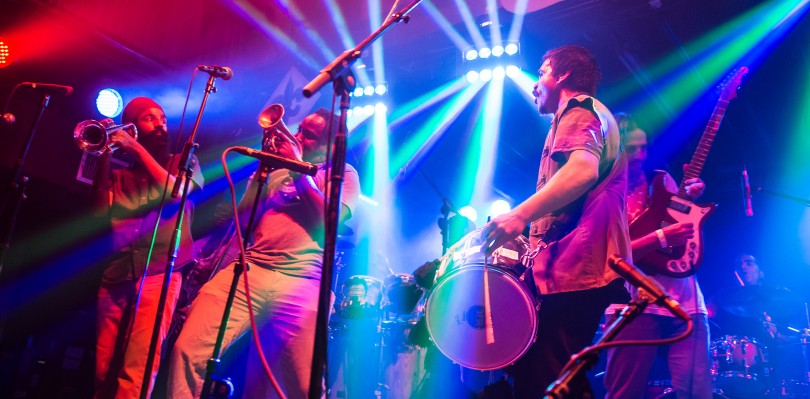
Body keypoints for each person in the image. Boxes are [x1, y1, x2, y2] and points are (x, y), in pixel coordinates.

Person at [168, 108, 360, 398]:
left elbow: (328, 220)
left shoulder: (341, 173)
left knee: (305, 387)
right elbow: (243, 221)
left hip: (303, 280)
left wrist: (296, 167)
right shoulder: (276, 170)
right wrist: (260, 174)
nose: (295, 136)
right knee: (188, 350)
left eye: (308, 135)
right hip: (251, 270)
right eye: (299, 129)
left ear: (328, 146)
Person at [480, 45, 631, 399]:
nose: (535, 84)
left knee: (547, 378)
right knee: (559, 379)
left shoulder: (578, 109)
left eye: (541, 72)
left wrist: (519, 215)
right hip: (575, 267)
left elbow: (582, 171)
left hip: (577, 268)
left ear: (562, 75)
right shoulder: (580, 115)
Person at [92, 97, 204, 398]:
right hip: (116, 273)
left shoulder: (185, 161)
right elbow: (99, 214)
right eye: (149, 119)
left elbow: (177, 193)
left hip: (160, 274)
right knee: (102, 368)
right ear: (133, 128)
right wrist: (104, 153)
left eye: (163, 119)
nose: (160, 124)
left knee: (138, 367)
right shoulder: (119, 176)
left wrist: (135, 149)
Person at [603, 113, 711, 399]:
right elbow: (611, 257)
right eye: (631, 149)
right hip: (632, 304)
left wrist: (689, 200)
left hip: (685, 302)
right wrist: (659, 238)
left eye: (644, 147)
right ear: (613, 150)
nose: (639, 156)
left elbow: (683, 232)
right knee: (623, 393)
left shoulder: (662, 182)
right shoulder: (602, 197)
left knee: (696, 393)